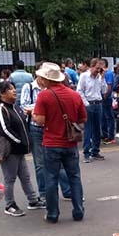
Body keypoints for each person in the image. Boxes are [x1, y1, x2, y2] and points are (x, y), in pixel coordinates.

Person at [33, 62, 87, 224]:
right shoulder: (74, 95)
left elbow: (40, 120)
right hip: (70, 143)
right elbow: (83, 118)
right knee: (74, 177)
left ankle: (53, 214)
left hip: (51, 143)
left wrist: (33, 115)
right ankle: (78, 210)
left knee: (51, 178)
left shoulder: (44, 96)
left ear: (46, 79)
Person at [0, 81, 46, 217]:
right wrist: (19, 141)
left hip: (19, 150)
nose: (14, 91)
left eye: (14, 88)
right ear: (2, 94)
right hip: (10, 151)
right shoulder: (1, 109)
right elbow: (5, 130)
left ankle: (33, 200)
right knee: (10, 178)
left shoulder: (15, 107)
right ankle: (9, 204)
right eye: (10, 89)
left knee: (25, 176)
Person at [21, 71, 74, 200]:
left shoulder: (52, 89)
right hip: (36, 129)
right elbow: (24, 106)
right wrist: (41, 109)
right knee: (40, 163)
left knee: (59, 161)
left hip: (52, 128)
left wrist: (37, 110)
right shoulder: (29, 87)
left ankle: (67, 191)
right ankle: (44, 193)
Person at [77, 58, 106, 161]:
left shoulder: (99, 77)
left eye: (99, 69)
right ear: (91, 66)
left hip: (98, 103)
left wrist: (102, 79)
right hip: (89, 103)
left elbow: (104, 90)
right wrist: (86, 104)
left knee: (97, 129)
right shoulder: (84, 76)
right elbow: (79, 91)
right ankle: (86, 152)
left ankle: (95, 151)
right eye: (97, 68)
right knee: (88, 129)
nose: (98, 70)